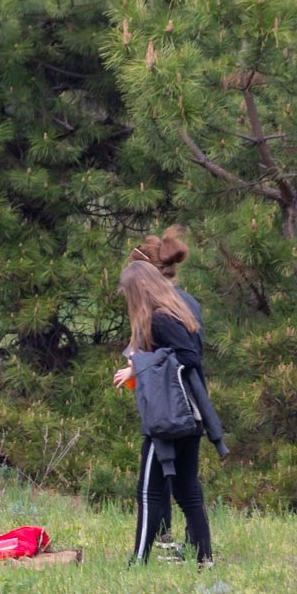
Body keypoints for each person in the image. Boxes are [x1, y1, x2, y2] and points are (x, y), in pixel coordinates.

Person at [112, 261, 216, 569]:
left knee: (148, 492)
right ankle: (205, 560)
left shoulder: (159, 318)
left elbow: (188, 357)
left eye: (128, 292)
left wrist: (138, 365)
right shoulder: (177, 310)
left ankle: (138, 562)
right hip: (189, 415)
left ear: (140, 290)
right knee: (186, 489)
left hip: (170, 417)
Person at [126, 225, 201, 551]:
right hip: (190, 403)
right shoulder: (186, 302)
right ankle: (198, 550)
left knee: (155, 484)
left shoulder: (161, 312)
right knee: (183, 483)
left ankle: (160, 542)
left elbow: (185, 356)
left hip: (172, 404)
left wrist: (138, 365)